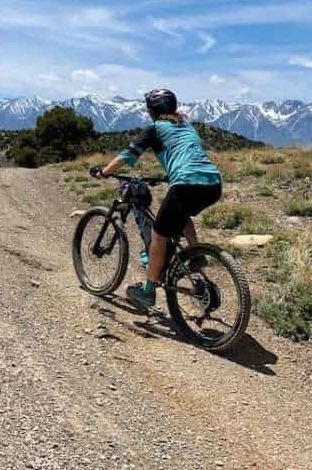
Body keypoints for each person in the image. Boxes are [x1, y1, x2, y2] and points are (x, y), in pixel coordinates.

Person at [89, 88, 222, 309]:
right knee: (182, 214)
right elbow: (186, 153)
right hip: (212, 183)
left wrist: (104, 172)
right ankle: (196, 253)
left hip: (186, 182)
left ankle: (148, 292)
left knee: (159, 234)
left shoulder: (154, 129)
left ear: (152, 111)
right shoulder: (187, 126)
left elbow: (127, 155)